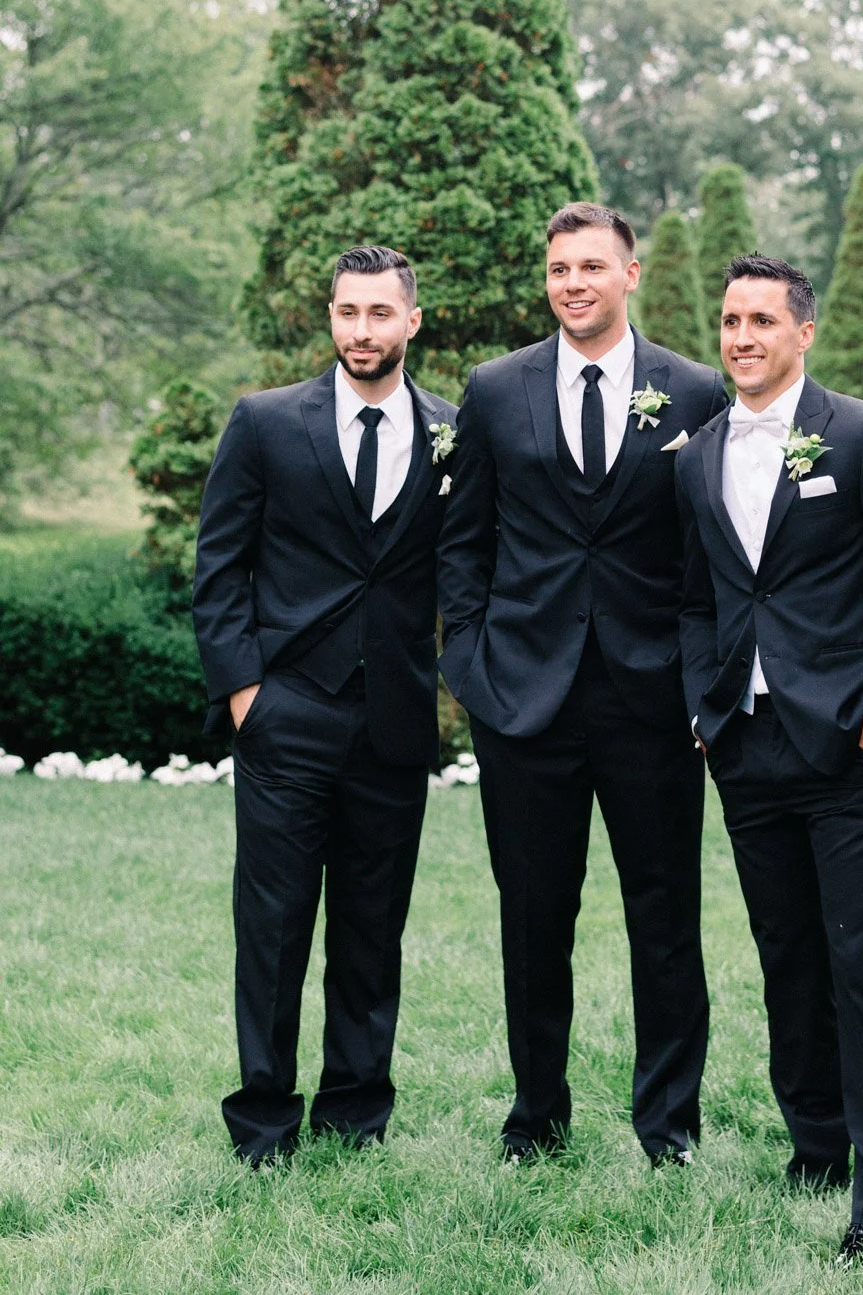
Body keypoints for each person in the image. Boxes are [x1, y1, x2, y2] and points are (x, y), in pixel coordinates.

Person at [437, 201, 727, 1166]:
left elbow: (711, 551)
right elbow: (462, 541)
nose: (574, 284)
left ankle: (668, 1124)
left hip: (651, 702)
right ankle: (536, 1117)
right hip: (522, 699)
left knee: (664, 918)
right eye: (560, 268)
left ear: (629, 274)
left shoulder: (690, 393)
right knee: (532, 917)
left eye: (592, 266)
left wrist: (700, 683)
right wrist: (473, 664)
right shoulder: (494, 388)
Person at [675, 253, 863, 1264]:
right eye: (730, 321)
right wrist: (706, 707)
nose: (740, 337)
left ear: (802, 333)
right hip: (746, 742)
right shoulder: (692, 455)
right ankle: (815, 1143)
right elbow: (695, 595)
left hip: (851, 745)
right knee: (787, 956)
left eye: (761, 322)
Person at [192, 245, 457, 1164]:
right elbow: (220, 565)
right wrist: (243, 693)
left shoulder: (450, 429)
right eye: (348, 312)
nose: (361, 331)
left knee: (371, 926)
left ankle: (355, 1112)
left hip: (392, 718)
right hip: (286, 712)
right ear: (332, 316)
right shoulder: (266, 422)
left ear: (411, 322)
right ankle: (263, 1118)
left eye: (380, 314)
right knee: (271, 928)